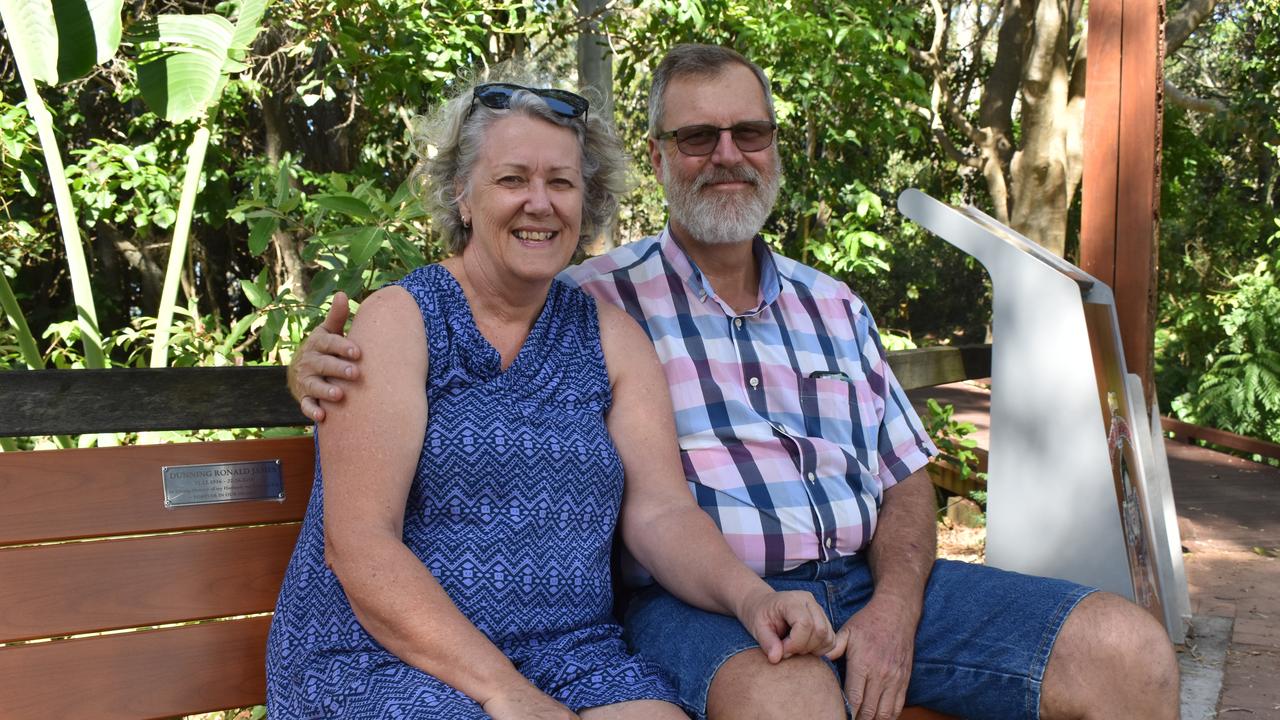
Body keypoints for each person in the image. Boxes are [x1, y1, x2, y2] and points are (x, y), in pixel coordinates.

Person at [289, 45, 1181, 720]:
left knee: (1129, 650)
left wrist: (894, 607)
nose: (727, 153)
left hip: (837, 593)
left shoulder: (820, 307)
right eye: (697, 136)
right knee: (793, 703)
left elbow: (888, 475)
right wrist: (313, 358)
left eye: (747, 132)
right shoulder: (600, 298)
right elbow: (447, 336)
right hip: (669, 616)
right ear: (660, 154)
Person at [267, 74, 840, 720]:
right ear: (462, 194)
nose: (539, 203)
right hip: (386, 656)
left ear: (585, 202)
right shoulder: (403, 322)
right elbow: (361, 544)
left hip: (569, 655)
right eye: (512, 180)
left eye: (561, 183)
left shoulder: (611, 338)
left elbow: (662, 516)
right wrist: (503, 691)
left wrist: (752, 599)